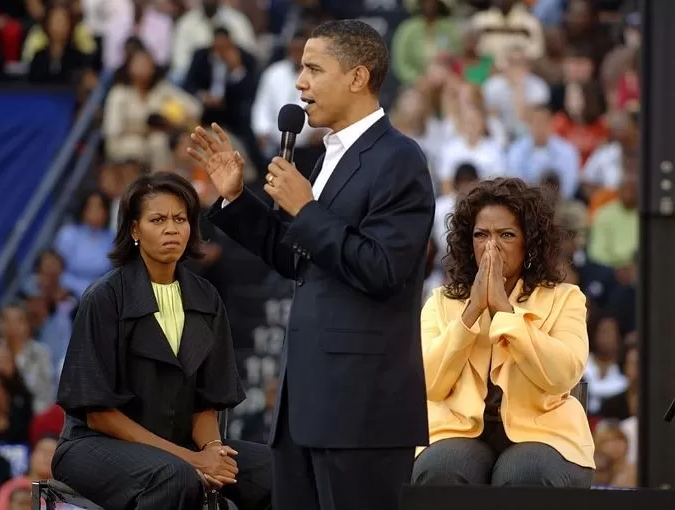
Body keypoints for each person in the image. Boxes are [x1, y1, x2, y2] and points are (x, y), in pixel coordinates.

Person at [188, 18, 435, 510]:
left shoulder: (400, 159)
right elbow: (297, 258)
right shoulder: (329, 156)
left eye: (313, 69)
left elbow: (383, 269)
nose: (299, 82)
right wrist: (238, 199)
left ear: (358, 77)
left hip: (361, 409)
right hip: (305, 405)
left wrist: (306, 210)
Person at [51, 172, 272, 510]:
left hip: (178, 443)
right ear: (135, 229)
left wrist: (213, 450)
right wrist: (192, 459)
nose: (172, 228)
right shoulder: (105, 297)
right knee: (175, 476)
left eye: (180, 218)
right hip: (95, 444)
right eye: (158, 219)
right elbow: (99, 415)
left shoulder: (206, 297)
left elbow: (205, 402)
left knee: (276, 470)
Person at [413, 178, 595, 487]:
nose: (491, 246)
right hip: (458, 430)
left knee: (523, 474)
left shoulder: (566, 298)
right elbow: (428, 385)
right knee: (441, 469)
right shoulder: (441, 302)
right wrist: (471, 313)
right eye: (481, 235)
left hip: (544, 433)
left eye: (506, 235)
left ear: (529, 243)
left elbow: (563, 375)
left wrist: (505, 312)